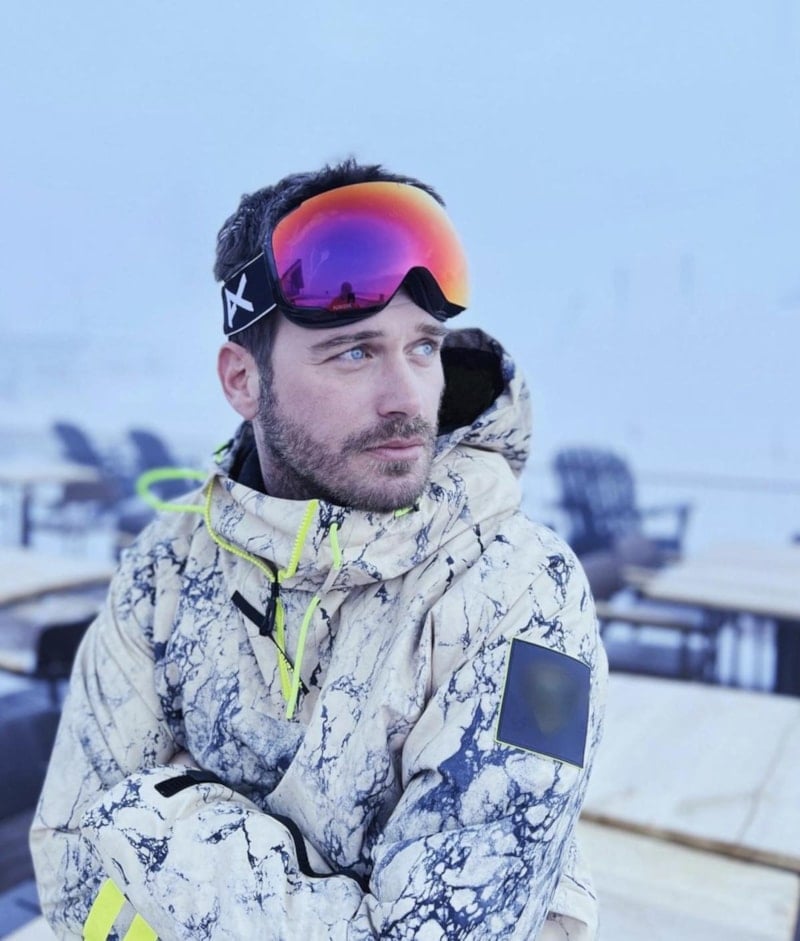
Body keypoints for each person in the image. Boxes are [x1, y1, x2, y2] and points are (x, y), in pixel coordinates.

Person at [31, 159, 608, 940]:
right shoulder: (165, 570)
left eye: (423, 347)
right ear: (243, 380)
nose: (407, 397)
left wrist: (163, 826)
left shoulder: (524, 591)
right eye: (355, 352)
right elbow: (73, 876)